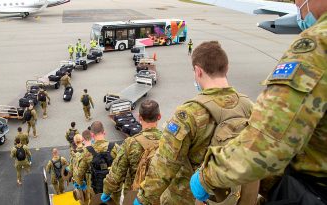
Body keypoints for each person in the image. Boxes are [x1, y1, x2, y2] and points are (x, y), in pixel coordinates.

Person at [190, 1, 327, 204]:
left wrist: (205, 176)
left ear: (198, 71)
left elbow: (266, 145)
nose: (298, 5)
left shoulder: (317, 46)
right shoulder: (244, 103)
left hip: (312, 190)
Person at [135, 41, 254, 205]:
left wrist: (143, 199)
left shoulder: (188, 114)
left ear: (198, 71)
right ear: (226, 68)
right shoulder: (248, 106)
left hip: (187, 199)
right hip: (232, 197)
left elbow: (164, 166)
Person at [101, 100, 162, 203]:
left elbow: (117, 174)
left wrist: (106, 192)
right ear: (159, 116)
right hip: (161, 197)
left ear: (139, 117)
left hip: (135, 197)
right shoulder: (168, 141)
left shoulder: (131, 143)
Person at [74, 121, 118, 203]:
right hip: (113, 190)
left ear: (92, 135)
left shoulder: (87, 151)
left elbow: (79, 173)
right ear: (104, 132)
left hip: (95, 189)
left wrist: (81, 183)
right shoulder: (115, 147)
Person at [68, 134, 91, 205]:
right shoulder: (88, 151)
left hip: (78, 182)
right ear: (82, 140)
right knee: (91, 197)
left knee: (82, 199)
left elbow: (71, 168)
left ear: (75, 142)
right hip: (88, 180)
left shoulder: (73, 154)